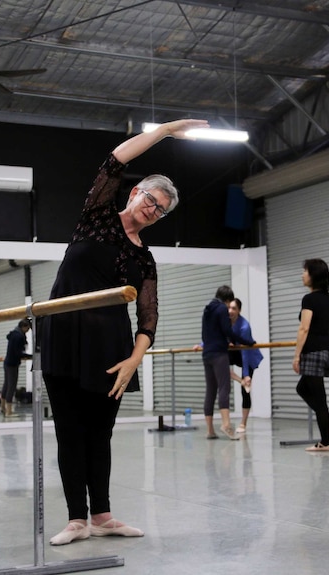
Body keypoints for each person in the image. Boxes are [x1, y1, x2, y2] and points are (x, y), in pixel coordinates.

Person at [40, 118, 208, 546]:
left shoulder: (145, 260)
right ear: (135, 193)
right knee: (69, 431)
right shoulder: (96, 217)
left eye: (161, 210)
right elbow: (115, 160)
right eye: (151, 200)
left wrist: (135, 359)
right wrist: (164, 131)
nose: (152, 211)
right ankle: (77, 519)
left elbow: (148, 317)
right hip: (63, 339)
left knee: (100, 433)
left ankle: (103, 515)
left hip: (110, 351)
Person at [293, 258, 329, 453]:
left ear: (313, 276)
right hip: (327, 350)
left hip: (313, 351)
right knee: (302, 388)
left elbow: (304, 328)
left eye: (305, 271)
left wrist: (296, 356)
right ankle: (326, 419)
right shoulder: (328, 298)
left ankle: (325, 442)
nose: (302, 274)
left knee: (319, 399)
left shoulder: (309, 299)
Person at [201, 285, 255, 440]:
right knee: (224, 388)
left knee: (210, 391)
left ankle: (210, 430)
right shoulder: (221, 309)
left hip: (207, 353)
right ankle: (226, 425)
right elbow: (228, 331)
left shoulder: (207, 309)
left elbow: (206, 333)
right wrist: (247, 341)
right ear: (227, 300)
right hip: (219, 353)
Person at [228, 297, 263, 435]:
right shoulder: (225, 322)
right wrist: (201, 345)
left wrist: (247, 374)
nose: (230, 311)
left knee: (245, 391)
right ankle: (241, 381)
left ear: (239, 311)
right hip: (234, 352)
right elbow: (215, 337)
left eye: (234, 308)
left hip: (248, 356)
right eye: (229, 308)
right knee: (222, 366)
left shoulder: (244, 326)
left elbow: (245, 352)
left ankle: (243, 422)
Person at [2, 319, 31, 417]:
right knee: (11, 386)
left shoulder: (13, 334)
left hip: (7, 362)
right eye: (28, 328)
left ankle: (3, 407)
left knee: (6, 385)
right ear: (24, 327)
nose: (28, 331)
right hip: (13, 364)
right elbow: (18, 352)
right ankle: (9, 411)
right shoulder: (19, 336)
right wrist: (29, 356)